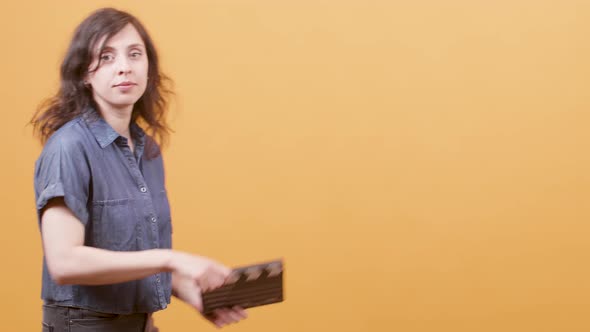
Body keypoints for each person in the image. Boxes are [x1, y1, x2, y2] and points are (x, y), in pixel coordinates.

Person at [31, 7, 247, 331]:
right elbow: (64, 261)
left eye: (135, 54)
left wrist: (188, 290)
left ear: (149, 69)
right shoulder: (69, 147)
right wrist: (172, 258)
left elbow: (131, 254)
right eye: (106, 57)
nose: (124, 67)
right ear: (84, 74)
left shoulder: (147, 150)